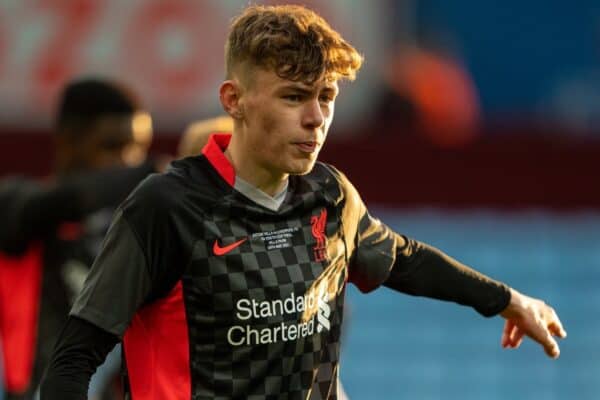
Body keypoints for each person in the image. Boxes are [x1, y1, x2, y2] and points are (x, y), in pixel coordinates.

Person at [41, 5, 566, 400]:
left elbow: (402, 258)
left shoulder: (330, 196)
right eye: (294, 96)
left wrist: (505, 299)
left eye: (326, 98)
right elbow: (71, 364)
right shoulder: (168, 208)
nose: (316, 118)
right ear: (234, 100)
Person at [0, 78, 155, 399]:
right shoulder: (18, 205)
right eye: (113, 147)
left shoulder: (139, 233)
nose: (128, 161)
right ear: (68, 142)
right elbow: (69, 199)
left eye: (138, 150)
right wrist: (151, 173)